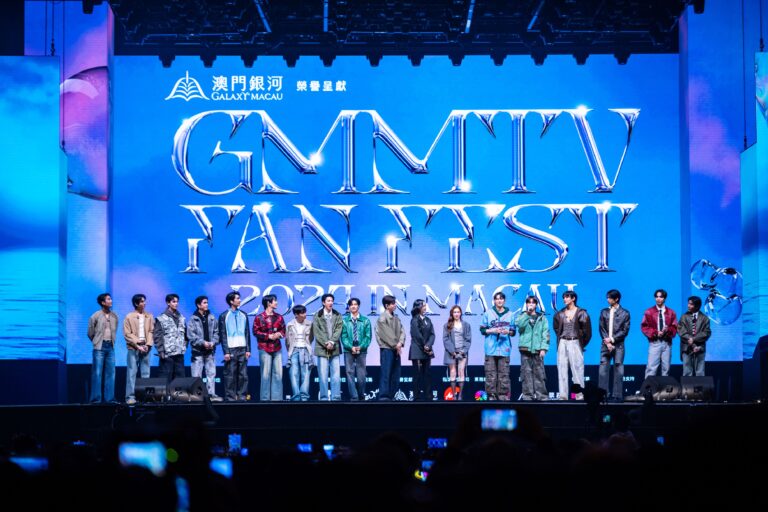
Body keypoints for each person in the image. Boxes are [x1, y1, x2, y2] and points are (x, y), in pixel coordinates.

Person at [552, 291, 592, 400]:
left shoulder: (581, 313)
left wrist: (581, 343)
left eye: (567, 297)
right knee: (562, 370)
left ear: (573, 298)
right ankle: (563, 396)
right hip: (562, 342)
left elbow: (587, 332)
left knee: (577, 370)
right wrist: (562, 338)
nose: (564, 299)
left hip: (575, 342)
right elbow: (556, 328)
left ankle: (580, 396)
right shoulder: (560, 313)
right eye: (564, 297)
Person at [479, 291, 515, 401]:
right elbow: (482, 330)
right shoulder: (488, 313)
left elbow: (513, 331)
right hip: (490, 348)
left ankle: (503, 395)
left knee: (504, 374)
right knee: (490, 374)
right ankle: (491, 396)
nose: (499, 301)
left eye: (501, 299)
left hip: (504, 348)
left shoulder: (510, 314)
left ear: (504, 300)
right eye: (497, 299)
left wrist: (508, 332)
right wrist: (493, 330)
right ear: (494, 301)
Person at [187, 295, 222, 401]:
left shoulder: (212, 318)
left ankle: (211, 394)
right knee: (196, 375)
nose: (207, 304)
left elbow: (217, 332)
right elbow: (191, 336)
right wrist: (203, 343)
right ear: (199, 305)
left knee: (211, 374)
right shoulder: (193, 319)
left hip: (210, 351)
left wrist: (213, 343)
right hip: (197, 352)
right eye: (204, 303)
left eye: (207, 302)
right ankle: (197, 395)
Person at [218, 291, 251, 401]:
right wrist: (226, 351)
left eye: (239, 298)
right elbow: (223, 334)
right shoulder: (224, 316)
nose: (239, 300)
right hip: (231, 349)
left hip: (243, 348)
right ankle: (230, 398)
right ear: (231, 301)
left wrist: (248, 349)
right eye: (237, 298)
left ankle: (242, 397)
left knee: (243, 375)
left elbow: (247, 333)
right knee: (230, 375)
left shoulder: (244, 315)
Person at [515, 296, 550, 401]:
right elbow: (520, 326)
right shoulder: (522, 316)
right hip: (525, 349)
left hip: (538, 349)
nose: (531, 304)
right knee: (526, 374)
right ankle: (527, 396)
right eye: (529, 302)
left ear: (536, 305)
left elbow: (546, 334)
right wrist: (527, 314)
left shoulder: (542, 318)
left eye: (533, 302)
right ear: (526, 304)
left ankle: (541, 396)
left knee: (540, 373)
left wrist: (543, 348)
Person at [598, 289, 630, 401]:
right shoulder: (604, 312)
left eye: (610, 298)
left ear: (616, 299)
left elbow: (625, 331)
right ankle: (603, 395)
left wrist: (612, 339)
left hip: (619, 345)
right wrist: (607, 342)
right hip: (605, 345)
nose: (608, 299)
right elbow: (601, 328)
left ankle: (617, 395)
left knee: (618, 369)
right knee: (603, 369)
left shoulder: (625, 313)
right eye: (607, 297)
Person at [252, 294, 285, 401]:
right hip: (264, 348)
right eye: (275, 301)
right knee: (265, 375)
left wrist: (279, 334)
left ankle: (277, 400)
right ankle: (265, 400)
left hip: (277, 348)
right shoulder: (259, 317)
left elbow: (283, 330)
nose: (277, 302)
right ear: (268, 303)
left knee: (278, 374)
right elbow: (255, 332)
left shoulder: (279, 317)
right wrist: (268, 336)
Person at [311, 293, 343, 401]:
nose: (331, 303)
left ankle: (336, 397)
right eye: (328, 301)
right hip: (321, 348)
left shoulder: (337, 315)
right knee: (323, 375)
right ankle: (324, 398)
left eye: (332, 301)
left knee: (336, 375)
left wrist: (332, 342)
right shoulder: (317, 315)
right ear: (323, 302)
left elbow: (339, 329)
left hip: (335, 347)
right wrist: (326, 343)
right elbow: (317, 332)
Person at [123, 294, 154, 405]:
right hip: (133, 348)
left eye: (144, 301)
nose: (144, 303)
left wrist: (148, 345)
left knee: (146, 373)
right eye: (142, 301)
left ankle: (145, 396)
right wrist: (137, 344)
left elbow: (151, 331)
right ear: (136, 303)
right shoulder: (129, 316)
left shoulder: (149, 316)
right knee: (132, 373)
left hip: (146, 348)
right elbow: (127, 334)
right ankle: (130, 397)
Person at [87, 292, 118, 403]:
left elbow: (115, 330)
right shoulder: (95, 315)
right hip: (99, 347)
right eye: (108, 299)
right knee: (97, 373)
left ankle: (109, 399)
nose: (111, 301)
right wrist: (96, 342)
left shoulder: (114, 316)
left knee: (111, 374)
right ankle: (96, 399)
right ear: (103, 302)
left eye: (111, 299)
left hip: (110, 347)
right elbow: (90, 332)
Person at [640, 289, 678, 378]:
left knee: (666, 369)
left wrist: (667, 330)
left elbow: (675, 327)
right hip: (655, 342)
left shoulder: (671, 312)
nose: (658, 299)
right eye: (656, 297)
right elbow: (644, 327)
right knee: (651, 368)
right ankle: (649, 387)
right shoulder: (649, 312)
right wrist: (656, 333)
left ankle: (664, 387)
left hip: (667, 343)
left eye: (661, 297)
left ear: (664, 298)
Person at [340, 298, 372, 401]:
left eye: (355, 304)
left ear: (358, 306)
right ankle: (354, 397)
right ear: (349, 307)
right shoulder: (344, 321)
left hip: (361, 349)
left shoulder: (365, 320)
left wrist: (361, 346)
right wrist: (351, 347)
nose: (353, 306)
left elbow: (368, 337)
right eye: (351, 305)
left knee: (361, 373)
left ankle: (361, 395)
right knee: (349, 372)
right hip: (348, 349)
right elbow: (343, 337)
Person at [376, 295, 405, 401]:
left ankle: (392, 395)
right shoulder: (382, 318)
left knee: (396, 374)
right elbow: (386, 334)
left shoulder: (396, 317)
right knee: (386, 373)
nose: (395, 305)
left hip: (396, 349)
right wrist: (396, 345)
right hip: (387, 349)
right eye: (393, 303)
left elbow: (402, 331)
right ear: (387, 306)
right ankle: (384, 396)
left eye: (394, 303)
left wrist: (400, 342)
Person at [154, 293, 187, 383]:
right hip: (167, 354)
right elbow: (157, 336)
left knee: (180, 379)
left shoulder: (181, 318)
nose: (176, 304)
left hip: (179, 353)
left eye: (177, 302)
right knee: (165, 379)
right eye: (173, 301)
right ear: (168, 303)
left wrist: (184, 346)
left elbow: (185, 335)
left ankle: (178, 393)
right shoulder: (161, 318)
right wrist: (161, 351)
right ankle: (165, 393)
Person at [443, 305, 472, 401]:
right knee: (452, 372)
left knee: (461, 371)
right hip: (451, 352)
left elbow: (468, 339)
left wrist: (463, 351)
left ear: (461, 313)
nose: (456, 314)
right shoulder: (447, 325)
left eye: (458, 312)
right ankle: (454, 395)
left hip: (462, 352)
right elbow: (445, 339)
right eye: (454, 312)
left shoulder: (466, 325)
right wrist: (452, 351)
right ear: (452, 313)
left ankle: (460, 396)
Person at [677, 296, 711, 376]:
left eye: (691, 304)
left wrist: (694, 339)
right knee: (687, 372)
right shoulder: (684, 317)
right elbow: (681, 331)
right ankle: (687, 385)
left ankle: (700, 385)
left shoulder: (705, 318)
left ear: (697, 306)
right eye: (688, 303)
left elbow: (706, 333)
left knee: (700, 372)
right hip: (686, 347)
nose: (688, 306)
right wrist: (692, 343)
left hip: (700, 348)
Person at [286, 304, 314, 401]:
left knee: (306, 374)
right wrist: (290, 351)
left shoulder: (309, 324)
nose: (305, 314)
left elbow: (311, 338)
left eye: (305, 312)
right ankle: (296, 396)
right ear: (296, 315)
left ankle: (304, 396)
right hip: (294, 350)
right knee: (294, 373)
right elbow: (287, 341)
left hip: (305, 350)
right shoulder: (290, 325)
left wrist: (307, 346)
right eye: (302, 313)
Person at [409, 299, 435, 401]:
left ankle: (429, 396)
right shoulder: (414, 320)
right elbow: (417, 335)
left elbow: (432, 334)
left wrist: (428, 345)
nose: (425, 307)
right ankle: (417, 397)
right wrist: (424, 346)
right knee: (417, 374)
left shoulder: (428, 320)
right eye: (423, 305)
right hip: (417, 350)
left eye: (425, 305)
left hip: (427, 350)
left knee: (427, 374)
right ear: (418, 307)